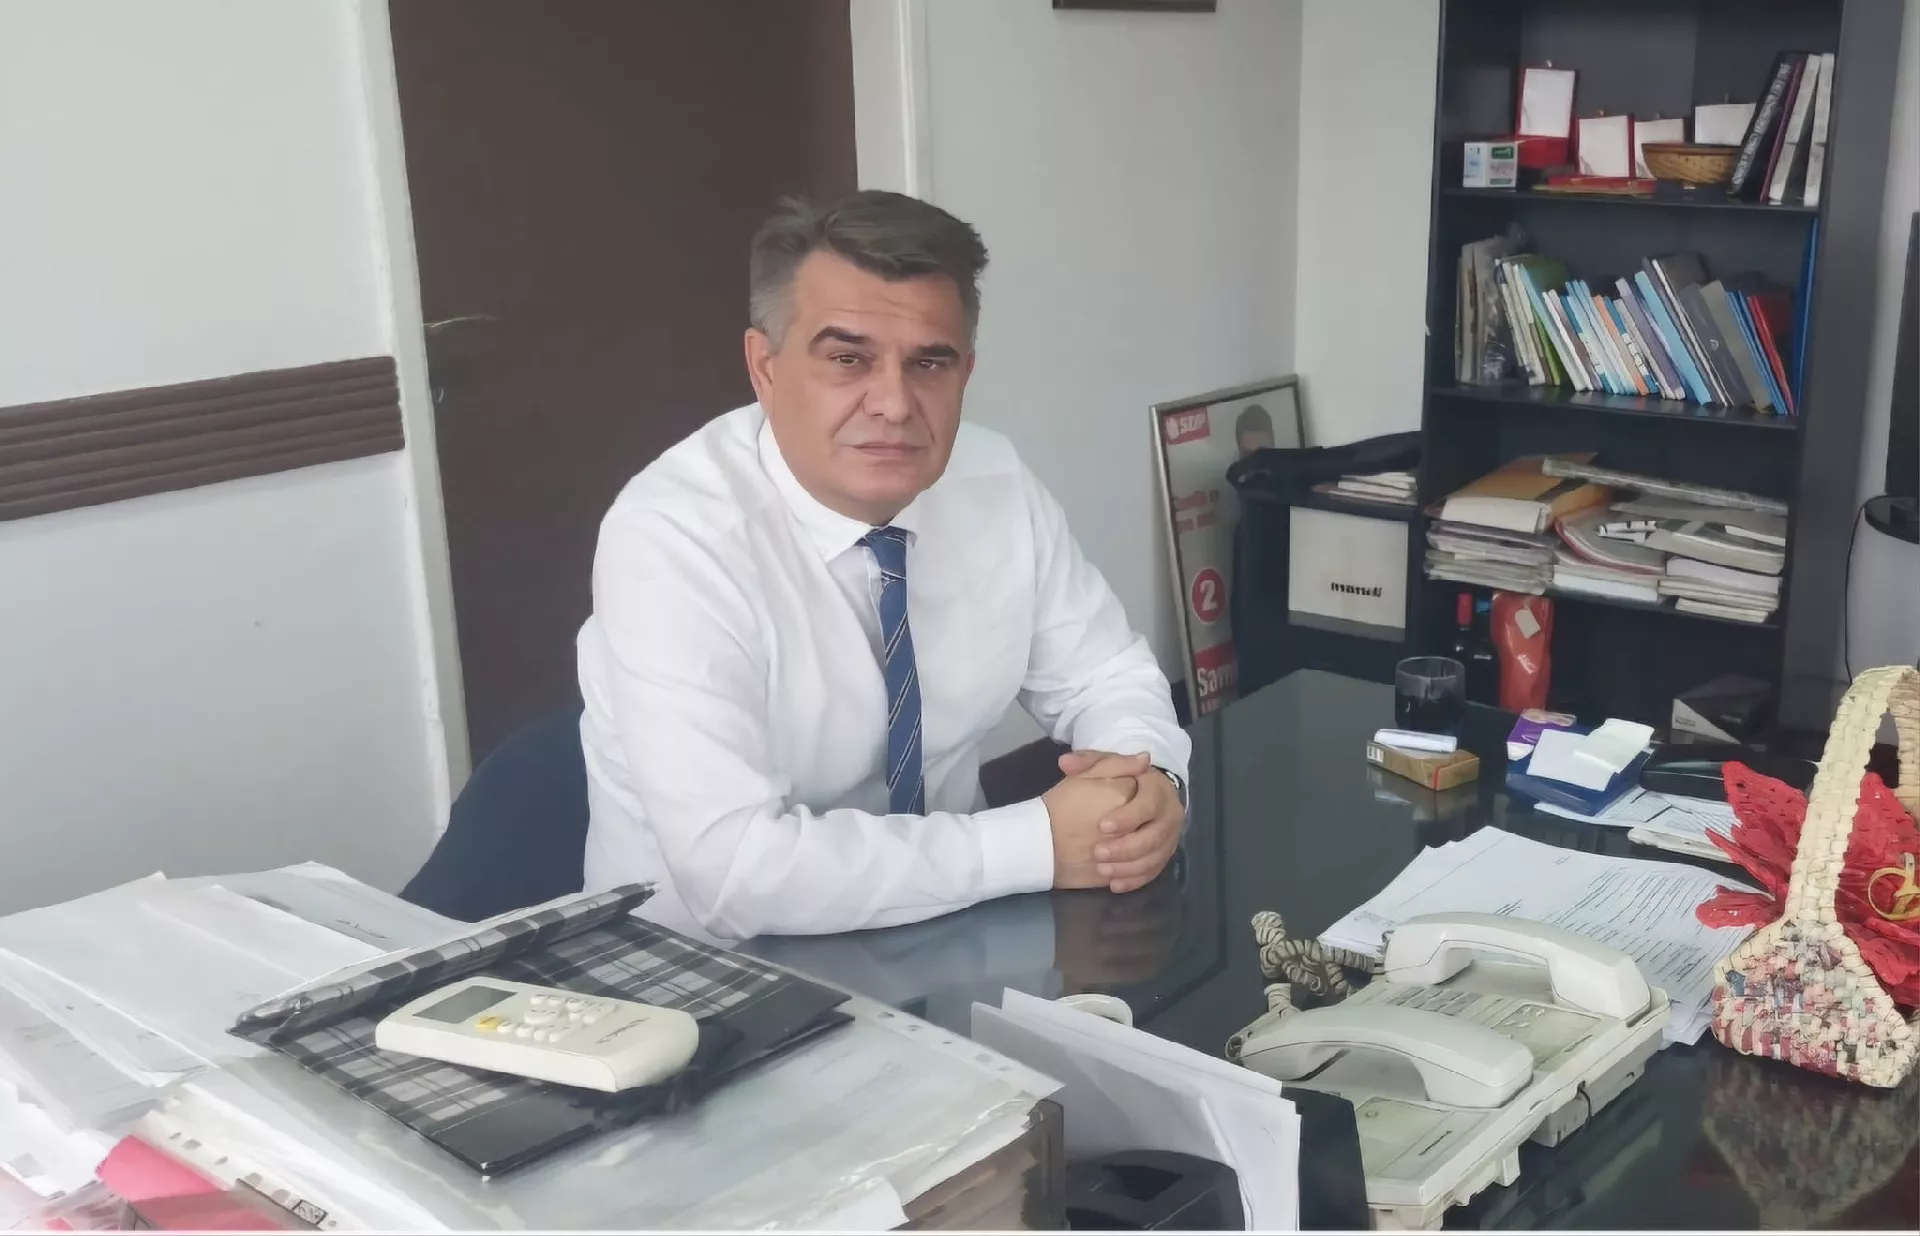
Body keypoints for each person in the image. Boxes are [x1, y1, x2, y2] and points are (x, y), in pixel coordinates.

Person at [576, 190, 1189, 940]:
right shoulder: (672, 538)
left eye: (929, 363)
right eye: (848, 359)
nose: (894, 404)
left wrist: (1148, 782)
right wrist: (1037, 843)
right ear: (764, 367)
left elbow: (1107, 675)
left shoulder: (994, 482)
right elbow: (735, 874)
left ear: (966, 371)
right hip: (710, 967)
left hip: (955, 924)